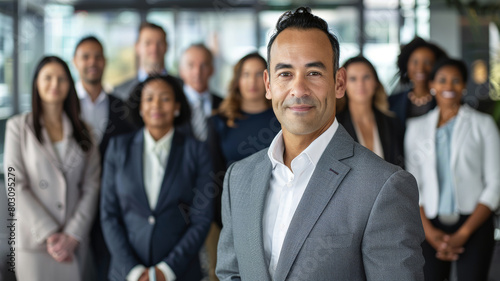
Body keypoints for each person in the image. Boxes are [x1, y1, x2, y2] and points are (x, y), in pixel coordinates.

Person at [216, 7, 424, 281]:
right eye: (285, 74)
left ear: (339, 83)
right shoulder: (238, 178)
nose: (299, 89)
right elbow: (231, 274)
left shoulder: (384, 186)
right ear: (268, 84)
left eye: (313, 73)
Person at [101, 75, 213, 281]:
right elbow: (109, 215)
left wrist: (166, 270)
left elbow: (202, 218)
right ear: (141, 107)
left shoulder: (196, 151)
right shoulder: (118, 148)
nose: (157, 105)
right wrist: (134, 271)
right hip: (126, 273)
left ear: (177, 107)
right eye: (149, 99)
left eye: (165, 99)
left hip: (180, 272)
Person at [3, 56, 100, 281]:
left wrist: (73, 234)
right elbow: (14, 183)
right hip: (35, 241)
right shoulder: (18, 127)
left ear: (70, 84)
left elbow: (92, 185)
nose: (54, 85)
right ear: (36, 82)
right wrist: (50, 233)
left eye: (61, 79)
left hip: (73, 242)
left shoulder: (86, 131)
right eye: (48, 78)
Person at [405, 58, 500, 281]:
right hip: (428, 225)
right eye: (442, 80)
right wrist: (429, 232)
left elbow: (496, 182)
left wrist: (463, 233)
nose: (449, 86)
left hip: (474, 221)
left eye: (456, 80)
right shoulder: (415, 128)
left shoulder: (483, 124)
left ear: (464, 85)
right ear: (432, 85)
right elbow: (412, 184)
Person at [72, 35, 135, 281]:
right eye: (85, 57)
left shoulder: (123, 109)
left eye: (97, 56)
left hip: (113, 208)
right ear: (75, 61)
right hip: (72, 206)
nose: (92, 62)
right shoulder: (65, 109)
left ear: (105, 61)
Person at [336, 56, 404, 167]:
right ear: (343, 85)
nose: (360, 84)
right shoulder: (335, 125)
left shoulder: (392, 123)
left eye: (366, 77)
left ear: (376, 82)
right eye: (353, 78)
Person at [389, 37, 447, 127]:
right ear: (406, 65)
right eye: (415, 62)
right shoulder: (391, 102)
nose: (420, 68)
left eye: (427, 63)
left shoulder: (446, 101)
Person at [114, 22, 170, 100]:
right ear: (137, 47)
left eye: (159, 43)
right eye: (148, 43)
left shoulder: (182, 87)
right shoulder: (119, 92)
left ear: (167, 47)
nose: (154, 49)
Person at [179, 43, 223, 141]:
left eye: (203, 65)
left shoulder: (224, 105)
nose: (197, 72)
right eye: (191, 65)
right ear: (181, 70)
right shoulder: (173, 105)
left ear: (212, 69)